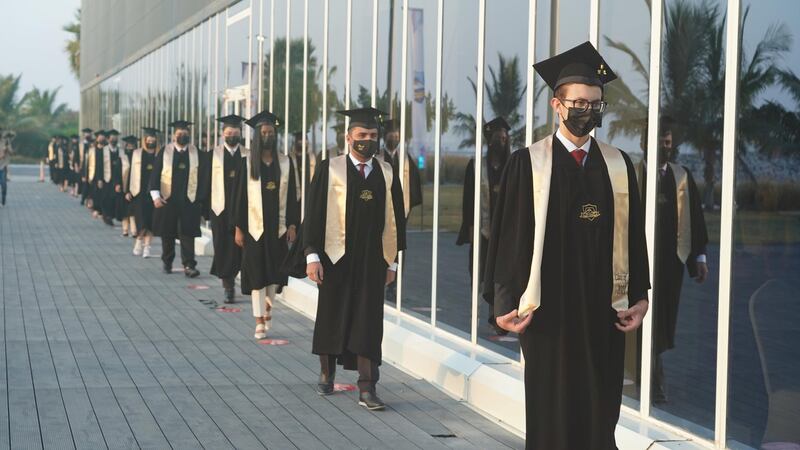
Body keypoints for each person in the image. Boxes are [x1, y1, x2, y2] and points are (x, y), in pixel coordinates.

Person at [483, 42, 650, 449]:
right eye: (579, 103)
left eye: (595, 104)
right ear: (558, 105)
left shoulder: (618, 164)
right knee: (552, 409)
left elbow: (634, 236)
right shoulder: (528, 163)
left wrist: (640, 296)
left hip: (602, 311)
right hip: (548, 313)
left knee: (601, 408)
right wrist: (504, 301)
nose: (587, 111)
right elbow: (509, 240)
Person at [297, 107, 406, 411]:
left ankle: (367, 387)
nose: (367, 141)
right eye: (361, 135)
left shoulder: (386, 171)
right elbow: (315, 215)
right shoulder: (329, 169)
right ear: (348, 137)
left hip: (373, 261)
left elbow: (397, 219)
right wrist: (312, 256)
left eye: (372, 136)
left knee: (368, 322)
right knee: (333, 315)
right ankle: (326, 371)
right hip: (336, 259)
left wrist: (393, 262)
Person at [636, 116, 709, 404]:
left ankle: (653, 368)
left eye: (668, 143)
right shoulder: (631, 174)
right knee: (642, 319)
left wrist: (699, 258)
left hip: (670, 264)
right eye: (658, 142)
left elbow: (696, 220)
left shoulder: (682, 176)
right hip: (639, 261)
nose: (664, 148)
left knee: (663, 320)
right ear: (645, 143)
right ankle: (652, 377)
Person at [233, 111, 299, 338]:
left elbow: (292, 197)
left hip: (278, 229)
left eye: (271, 132)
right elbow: (239, 198)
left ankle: (269, 306)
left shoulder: (286, 162)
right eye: (264, 132)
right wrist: (239, 228)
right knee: (257, 274)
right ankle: (259, 320)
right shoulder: (247, 163)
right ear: (257, 137)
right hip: (254, 229)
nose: (268, 135)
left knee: (275, 273)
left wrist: (292, 225)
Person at [457, 117, 512, 334]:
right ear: (490, 141)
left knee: (501, 277)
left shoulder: (513, 165)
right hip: (481, 231)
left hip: (505, 233)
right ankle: (475, 315)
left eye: (504, 137)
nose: (502, 140)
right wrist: (470, 228)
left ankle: (497, 319)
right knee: (478, 275)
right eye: (498, 137)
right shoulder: (476, 166)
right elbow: (468, 199)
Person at [149, 120, 210, 277]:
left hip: (189, 201)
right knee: (167, 233)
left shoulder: (198, 153)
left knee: (188, 234)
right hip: (168, 200)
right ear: (173, 135)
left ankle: (189, 265)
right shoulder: (165, 152)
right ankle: (167, 262)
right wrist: (155, 196)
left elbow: (204, 178)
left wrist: (201, 200)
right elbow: (155, 174)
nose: (182, 135)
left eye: (185, 133)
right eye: (179, 133)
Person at [208, 115, 248, 304]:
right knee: (223, 248)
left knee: (242, 248)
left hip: (243, 210)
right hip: (220, 211)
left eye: (235, 132)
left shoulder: (248, 155)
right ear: (222, 134)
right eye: (228, 132)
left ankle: (245, 281)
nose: (232, 135)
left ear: (241, 133)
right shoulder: (212, 155)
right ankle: (228, 286)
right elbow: (204, 183)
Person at [127, 127, 160, 258]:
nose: (151, 141)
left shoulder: (160, 154)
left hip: (154, 193)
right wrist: (127, 190)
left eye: (153, 139)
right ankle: (139, 240)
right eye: (148, 139)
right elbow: (130, 173)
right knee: (141, 221)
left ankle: (147, 247)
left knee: (151, 221)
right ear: (144, 140)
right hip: (139, 192)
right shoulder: (137, 154)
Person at [116, 135, 138, 237]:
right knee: (124, 209)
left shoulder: (138, 157)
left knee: (132, 209)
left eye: (132, 145)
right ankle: (125, 229)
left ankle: (134, 230)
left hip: (134, 185)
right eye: (129, 145)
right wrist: (117, 184)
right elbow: (117, 172)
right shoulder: (122, 158)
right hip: (123, 185)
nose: (130, 147)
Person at [85, 130, 110, 220]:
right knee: (95, 193)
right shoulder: (92, 150)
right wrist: (86, 176)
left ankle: (102, 211)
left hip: (106, 174)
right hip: (94, 174)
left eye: (103, 137)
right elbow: (87, 164)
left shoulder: (107, 150)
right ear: (97, 139)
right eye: (99, 137)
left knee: (104, 194)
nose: (101, 138)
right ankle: (96, 209)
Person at [79, 128, 94, 206]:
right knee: (85, 184)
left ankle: (89, 200)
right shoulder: (82, 144)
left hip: (91, 165)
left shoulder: (93, 143)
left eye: (89, 133)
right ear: (84, 135)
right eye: (86, 133)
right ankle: (83, 198)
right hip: (84, 165)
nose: (87, 135)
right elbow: (79, 157)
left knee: (90, 185)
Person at [0, 130, 14, 208]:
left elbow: (12, 152)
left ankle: (3, 201)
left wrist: (8, 148)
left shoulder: (5, 141)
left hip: (3, 167)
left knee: (3, 185)